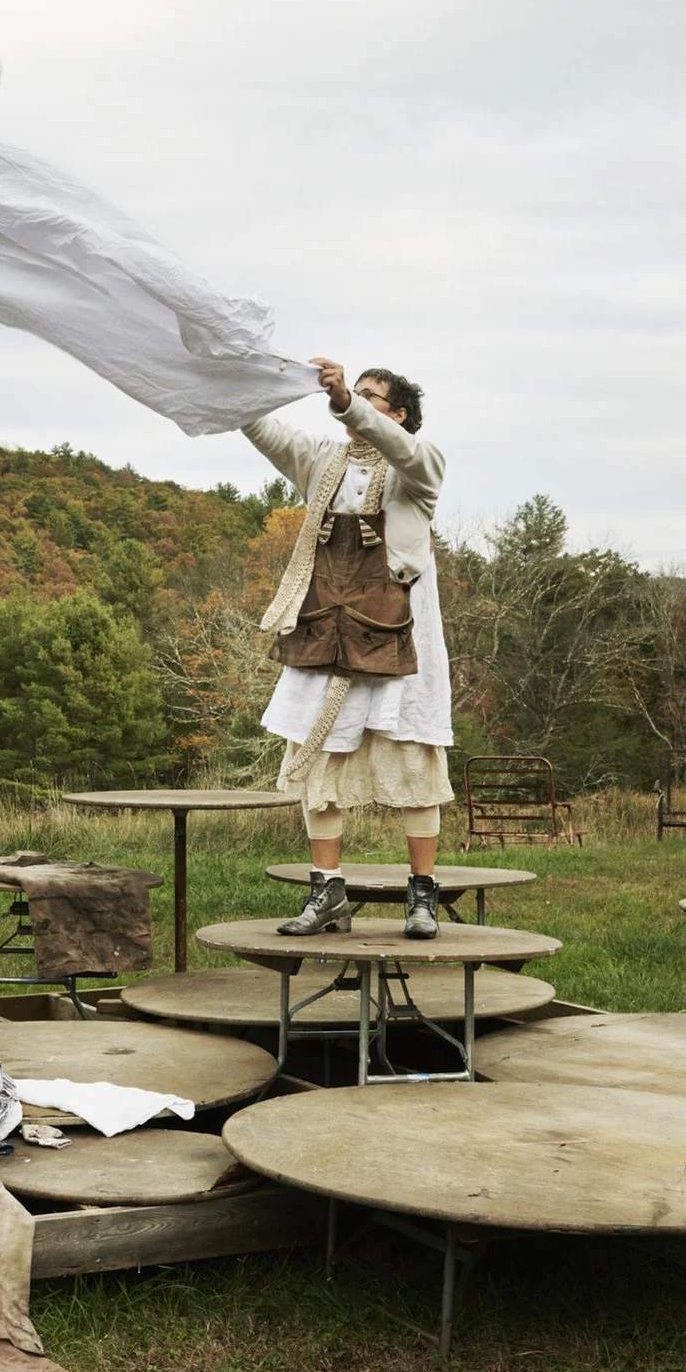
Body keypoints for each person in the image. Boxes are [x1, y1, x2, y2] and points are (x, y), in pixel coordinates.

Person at [242, 358, 454, 939]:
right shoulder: (321, 461)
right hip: (325, 627)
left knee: (413, 757)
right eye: (353, 391)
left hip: (398, 632)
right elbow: (264, 430)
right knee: (318, 760)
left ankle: (422, 896)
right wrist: (238, 388)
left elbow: (400, 450)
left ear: (398, 413)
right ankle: (327, 892)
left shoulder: (420, 464)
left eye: (369, 395)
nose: (355, 400)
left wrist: (344, 401)